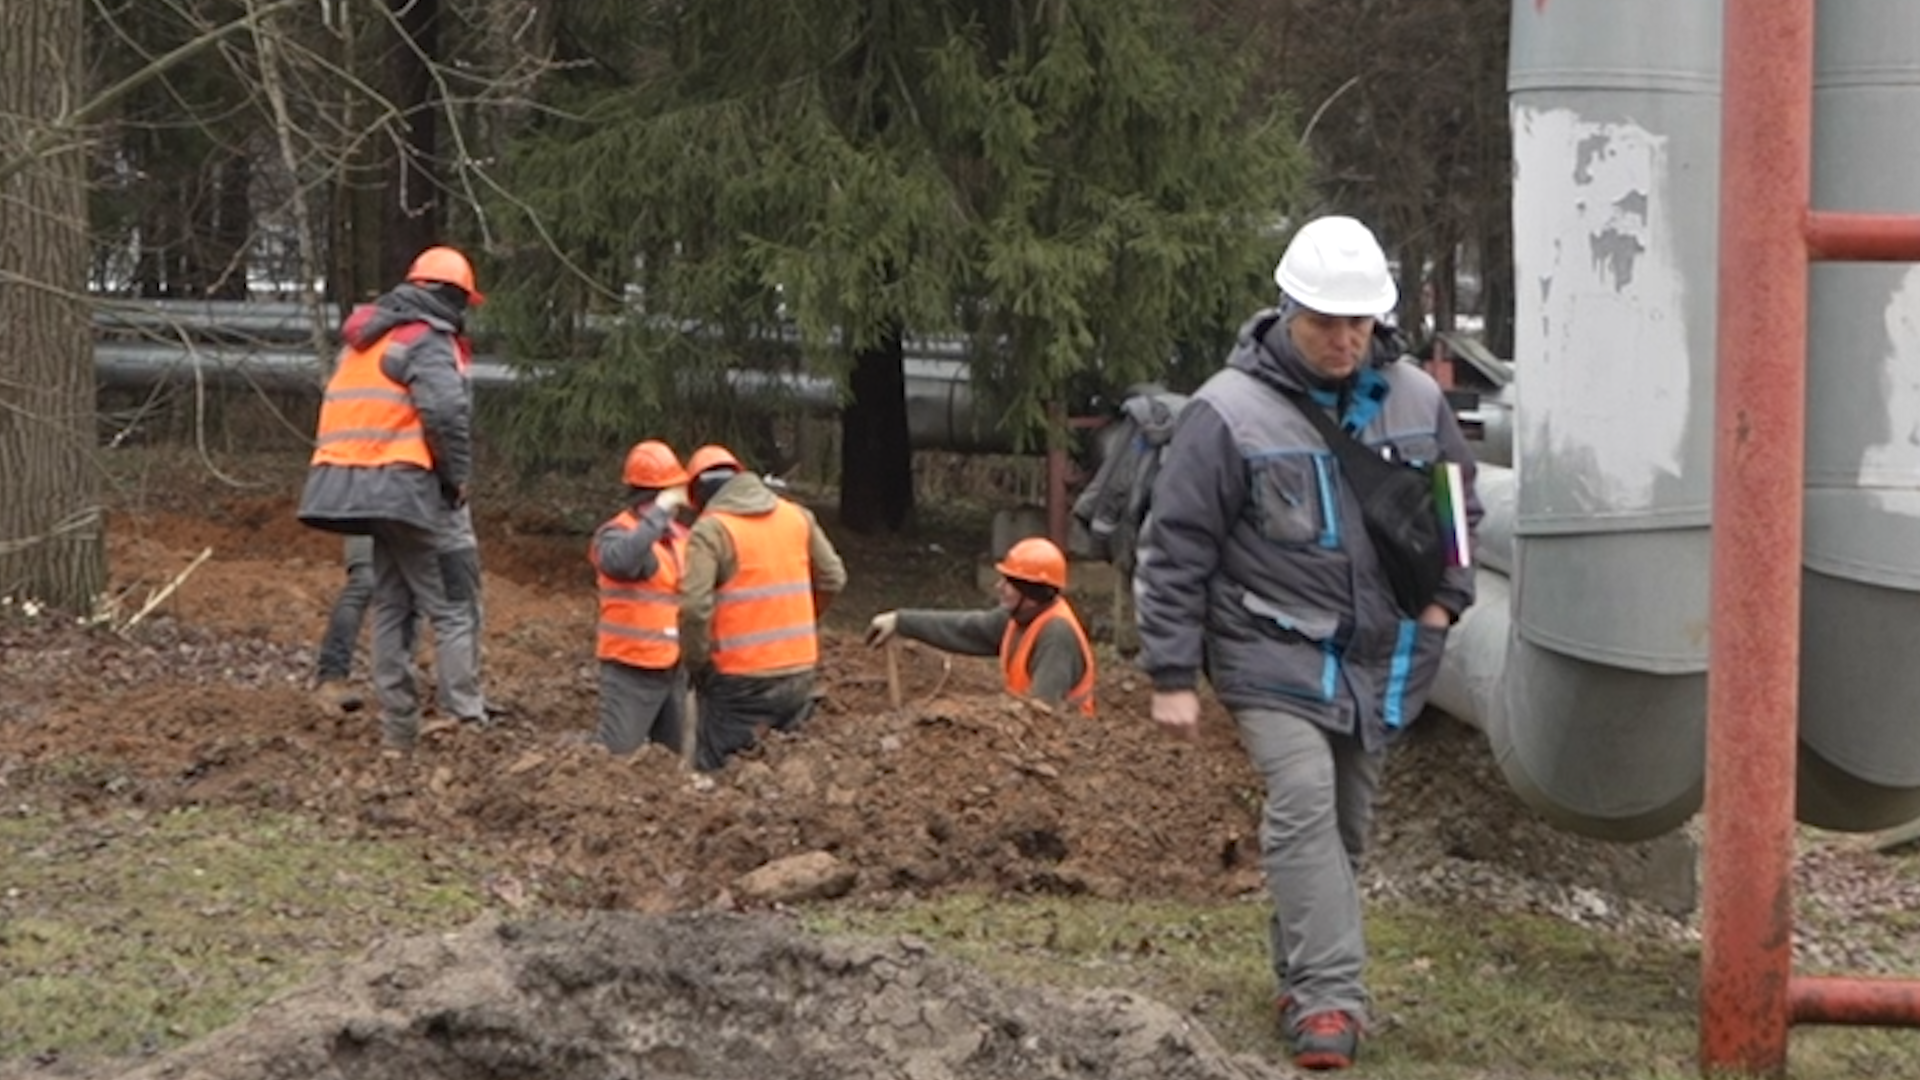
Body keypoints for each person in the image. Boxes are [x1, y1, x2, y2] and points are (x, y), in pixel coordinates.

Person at [1133, 214, 1480, 1071]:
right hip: (1267, 649)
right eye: (1326, 320)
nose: (1344, 339)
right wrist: (1173, 670)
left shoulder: (1417, 400)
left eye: (1359, 321)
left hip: (1382, 658)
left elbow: (1457, 518)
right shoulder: (1228, 412)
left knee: (1346, 829)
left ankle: (1295, 974)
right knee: (1302, 800)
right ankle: (1332, 1001)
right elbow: (1176, 546)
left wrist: (1443, 608)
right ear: (1287, 309)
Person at [296, 245, 490, 750]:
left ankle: (398, 734)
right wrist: (457, 478)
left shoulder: (365, 340)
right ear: (454, 297)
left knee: (392, 606)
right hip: (410, 491)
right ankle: (465, 726)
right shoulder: (427, 340)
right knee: (454, 605)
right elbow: (446, 414)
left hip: (358, 491)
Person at [677, 444, 847, 771]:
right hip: (799, 670)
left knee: (722, 773)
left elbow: (695, 608)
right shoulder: (797, 517)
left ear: (699, 496)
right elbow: (833, 578)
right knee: (786, 769)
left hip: (740, 679)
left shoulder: (712, 530)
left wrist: (696, 662)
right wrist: (801, 622)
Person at [864, 536, 1096, 715]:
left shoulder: (1056, 636)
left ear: (1031, 591)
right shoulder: (1018, 618)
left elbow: (1042, 713)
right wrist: (901, 621)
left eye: (1009, 582)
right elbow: (965, 629)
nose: (998, 586)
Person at [590, 440, 692, 755]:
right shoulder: (615, 534)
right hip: (630, 669)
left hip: (674, 668)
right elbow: (622, 561)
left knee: (675, 759)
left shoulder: (680, 538)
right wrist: (658, 516)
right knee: (617, 758)